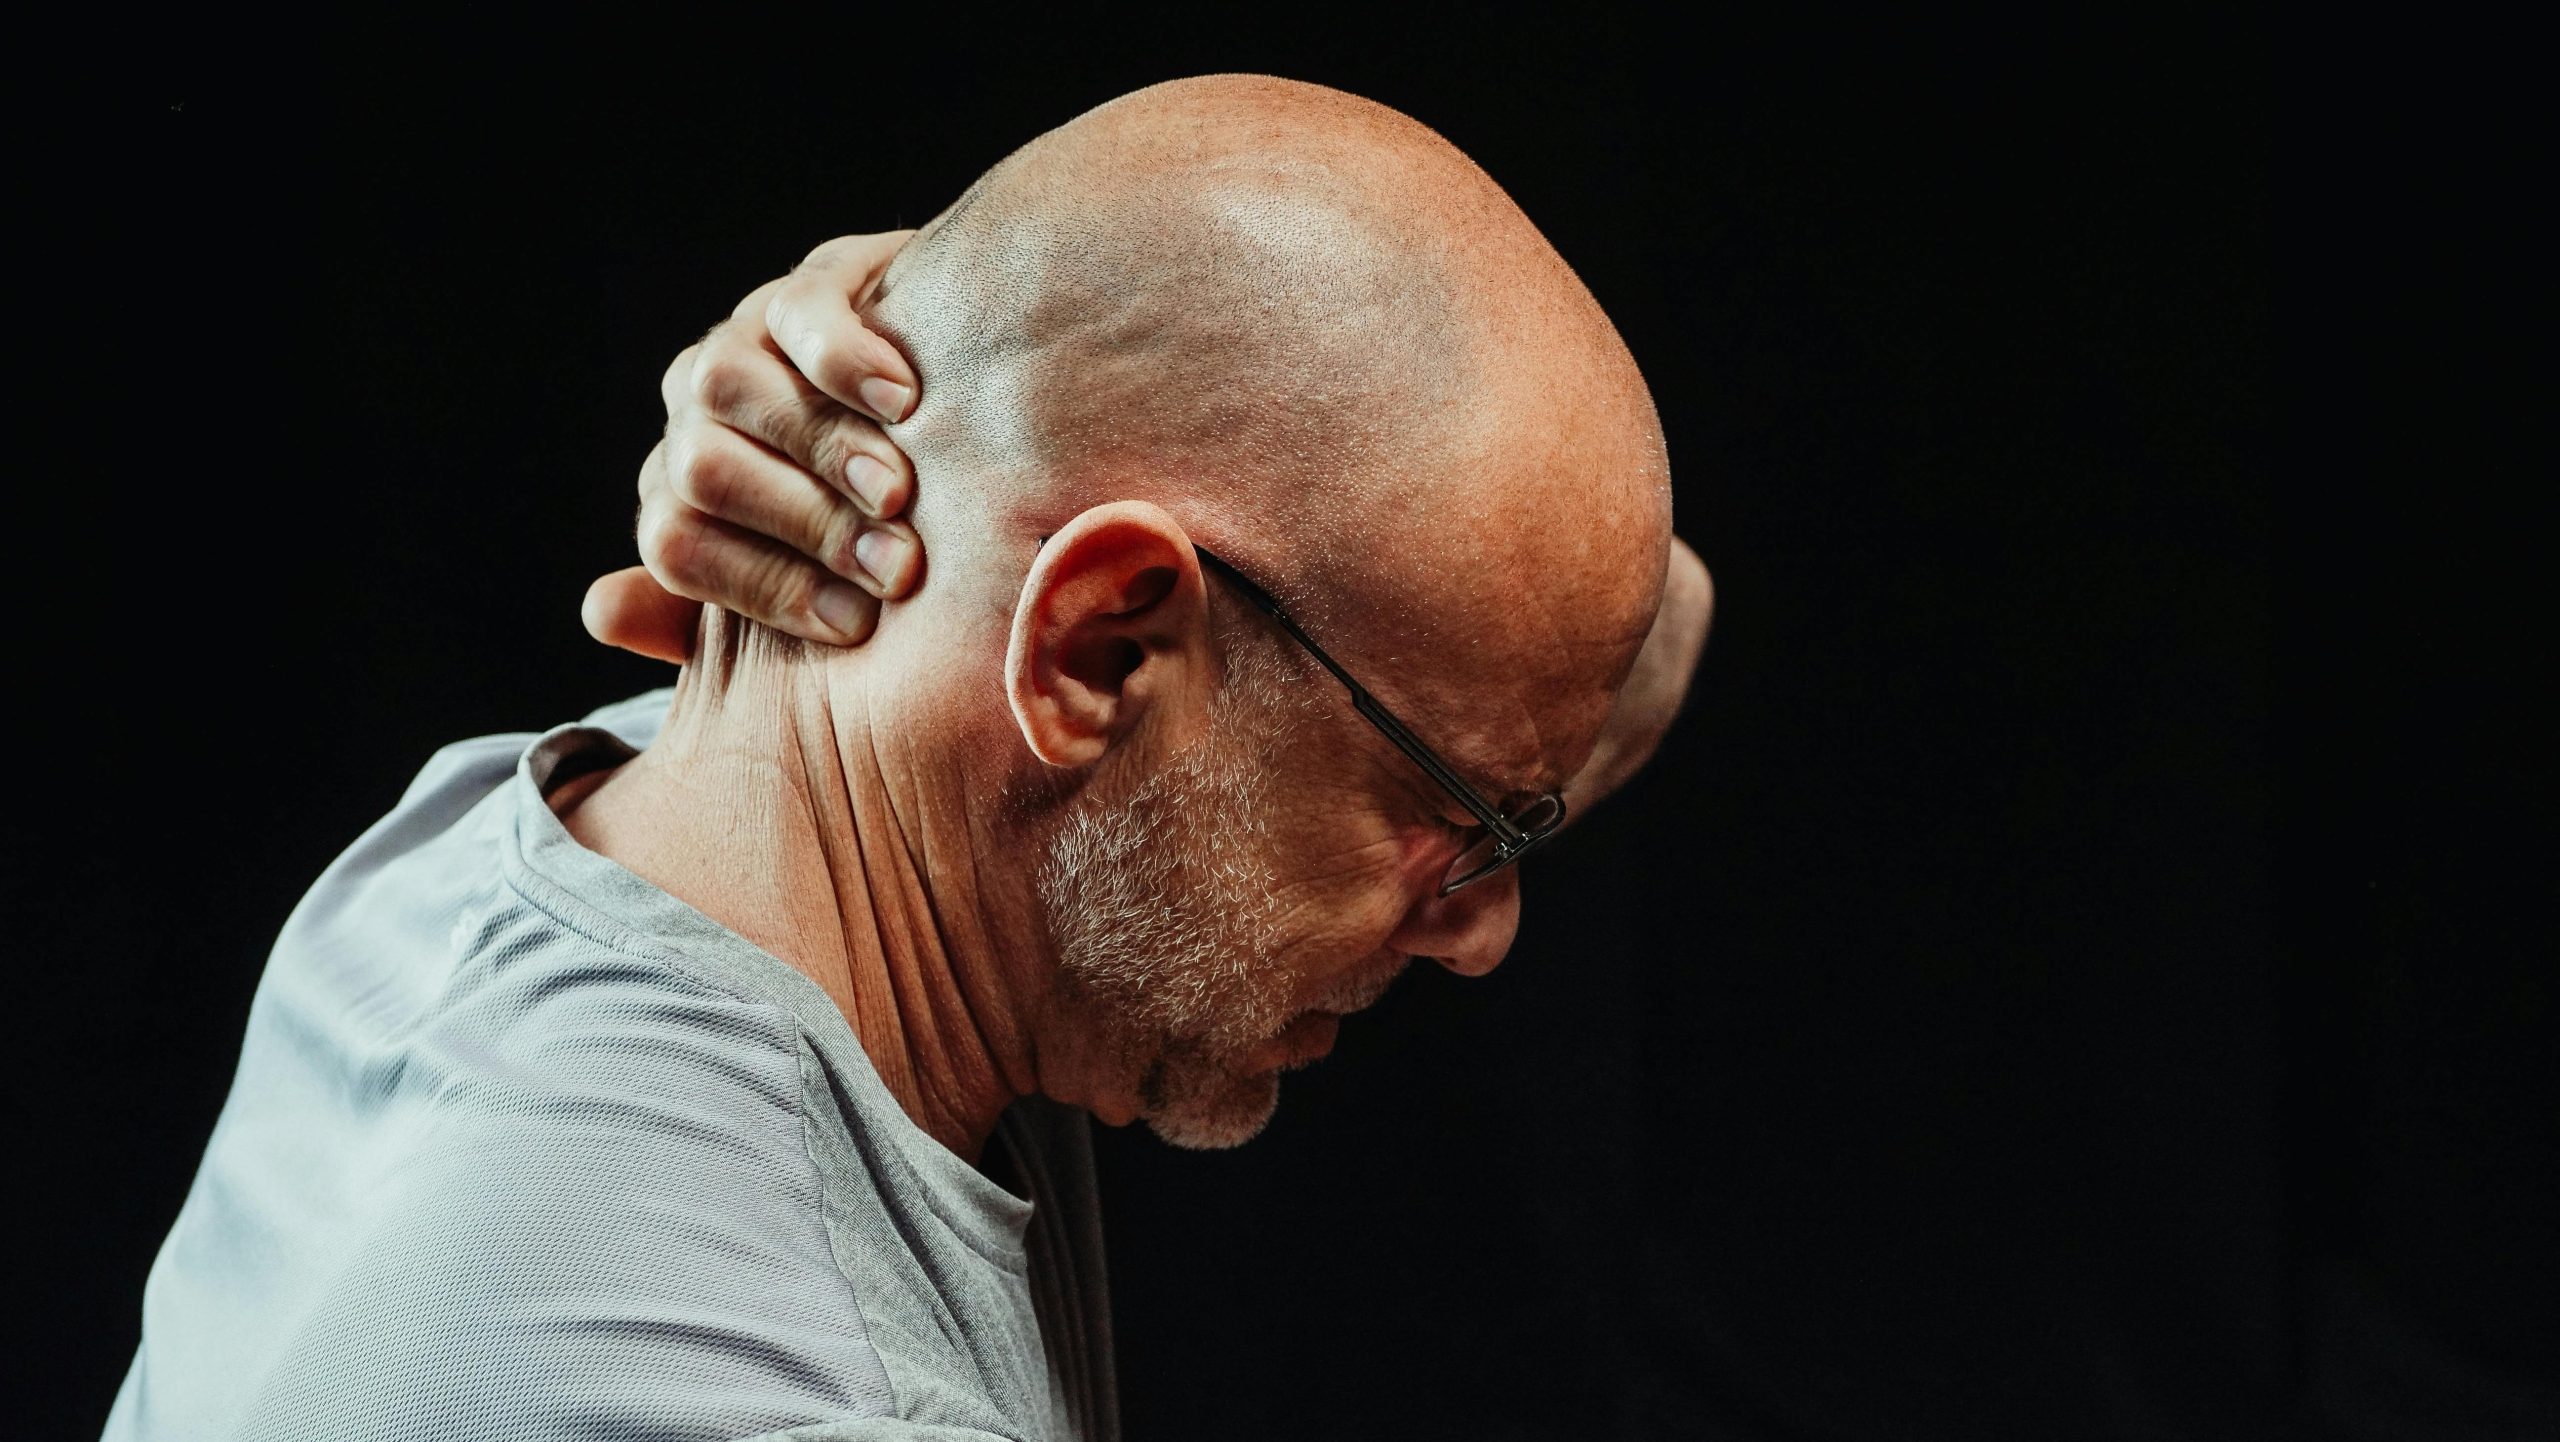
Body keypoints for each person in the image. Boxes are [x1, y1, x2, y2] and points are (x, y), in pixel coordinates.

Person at [105, 75, 1712, 1442]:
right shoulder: (781, 1397)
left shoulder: (502, 836)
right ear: (1096, 652)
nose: (1488, 931)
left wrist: (943, 390)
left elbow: (1635, 621)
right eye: (1468, 827)